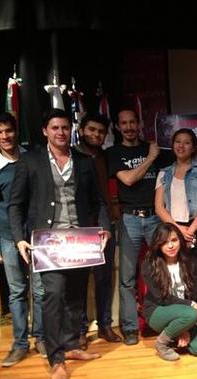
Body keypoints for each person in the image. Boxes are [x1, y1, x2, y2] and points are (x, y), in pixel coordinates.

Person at [9, 109, 111, 379]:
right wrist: (19, 238)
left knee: (77, 295)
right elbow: (15, 205)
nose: (61, 132)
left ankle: (71, 345)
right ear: (45, 131)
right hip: (48, 243)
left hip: (80, 242)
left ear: (71, 130)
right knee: (53, 295)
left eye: (65, 127)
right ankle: (56, 358)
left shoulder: (84, 161)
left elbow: (99, 202)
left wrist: (104, 229)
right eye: (55, 127)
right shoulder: (30, 161)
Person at [0, 112, 45, 367]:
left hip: (36, 235)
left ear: (16, 131)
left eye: (8, 130)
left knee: (40, 290)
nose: (4, 136)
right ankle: (20, 344)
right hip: (9, 237)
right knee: (17, 292)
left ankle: (41, 338)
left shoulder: (33, 157)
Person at [108, 108, 162, 345]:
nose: (129, 127)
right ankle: (130, 328)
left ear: (139, 124)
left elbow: (185, 154)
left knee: (160, 272)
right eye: (124, 123)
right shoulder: (114, 153)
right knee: (127, 278)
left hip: (155, 216)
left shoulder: (153, 147)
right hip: (130, 218)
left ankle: (160, 321)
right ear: (117, 126)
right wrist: (150, 158)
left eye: (132, 122)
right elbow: (128, 179)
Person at [154, 128, 197, 326]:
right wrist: (178, 230)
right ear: (172, 145)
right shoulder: (164, 173)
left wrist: (191, 230)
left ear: (194, 147)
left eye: (187, 142)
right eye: (178, 141)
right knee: (179, 275)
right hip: (173, 230)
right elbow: (159, 207)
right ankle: (185, 319)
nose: (181, 145)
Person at [75, 112, 122, 348]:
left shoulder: (106, 156)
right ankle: (80, 330)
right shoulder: (72, 155)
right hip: (79, 223)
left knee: (104, 276)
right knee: (81, 279)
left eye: (101, 131)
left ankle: (105, 325)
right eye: (92, 130)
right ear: (82, 130)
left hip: (105, 220)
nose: (96, 134)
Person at [141, 223, 197, 361]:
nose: (170, 246)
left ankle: (175, 335)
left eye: (174, 240)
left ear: (180, 240)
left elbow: (195, 293)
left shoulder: (191, 262)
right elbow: (161, 298)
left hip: (186, 316)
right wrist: (190, 305)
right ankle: (162, 343)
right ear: (158, 244)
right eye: (164, 242)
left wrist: (185, 328)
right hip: (158, 310)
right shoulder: (149, 264)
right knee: (190, 313)